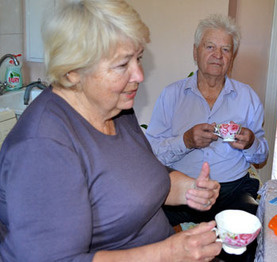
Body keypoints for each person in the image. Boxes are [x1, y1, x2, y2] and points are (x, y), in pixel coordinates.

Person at [0, 1, 222, 261]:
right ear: (73, 72)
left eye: (138, 59)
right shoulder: (42, 147)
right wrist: (167, 253)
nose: (139, 75)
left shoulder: (116, 107)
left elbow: (140, 176)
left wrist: (189, 189)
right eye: (122, 65)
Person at [145, 14, 269, 261]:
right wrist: (186, 141)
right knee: (146, 229)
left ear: (232, 58)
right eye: (210, 47)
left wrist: (251, 142)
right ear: (195, 52)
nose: (218, 55)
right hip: (180, 191)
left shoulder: (248, 97)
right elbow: (152, 150)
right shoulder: (171, 96)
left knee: (252, 232)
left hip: (232, 190)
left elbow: (262, 154)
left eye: (225, 49)